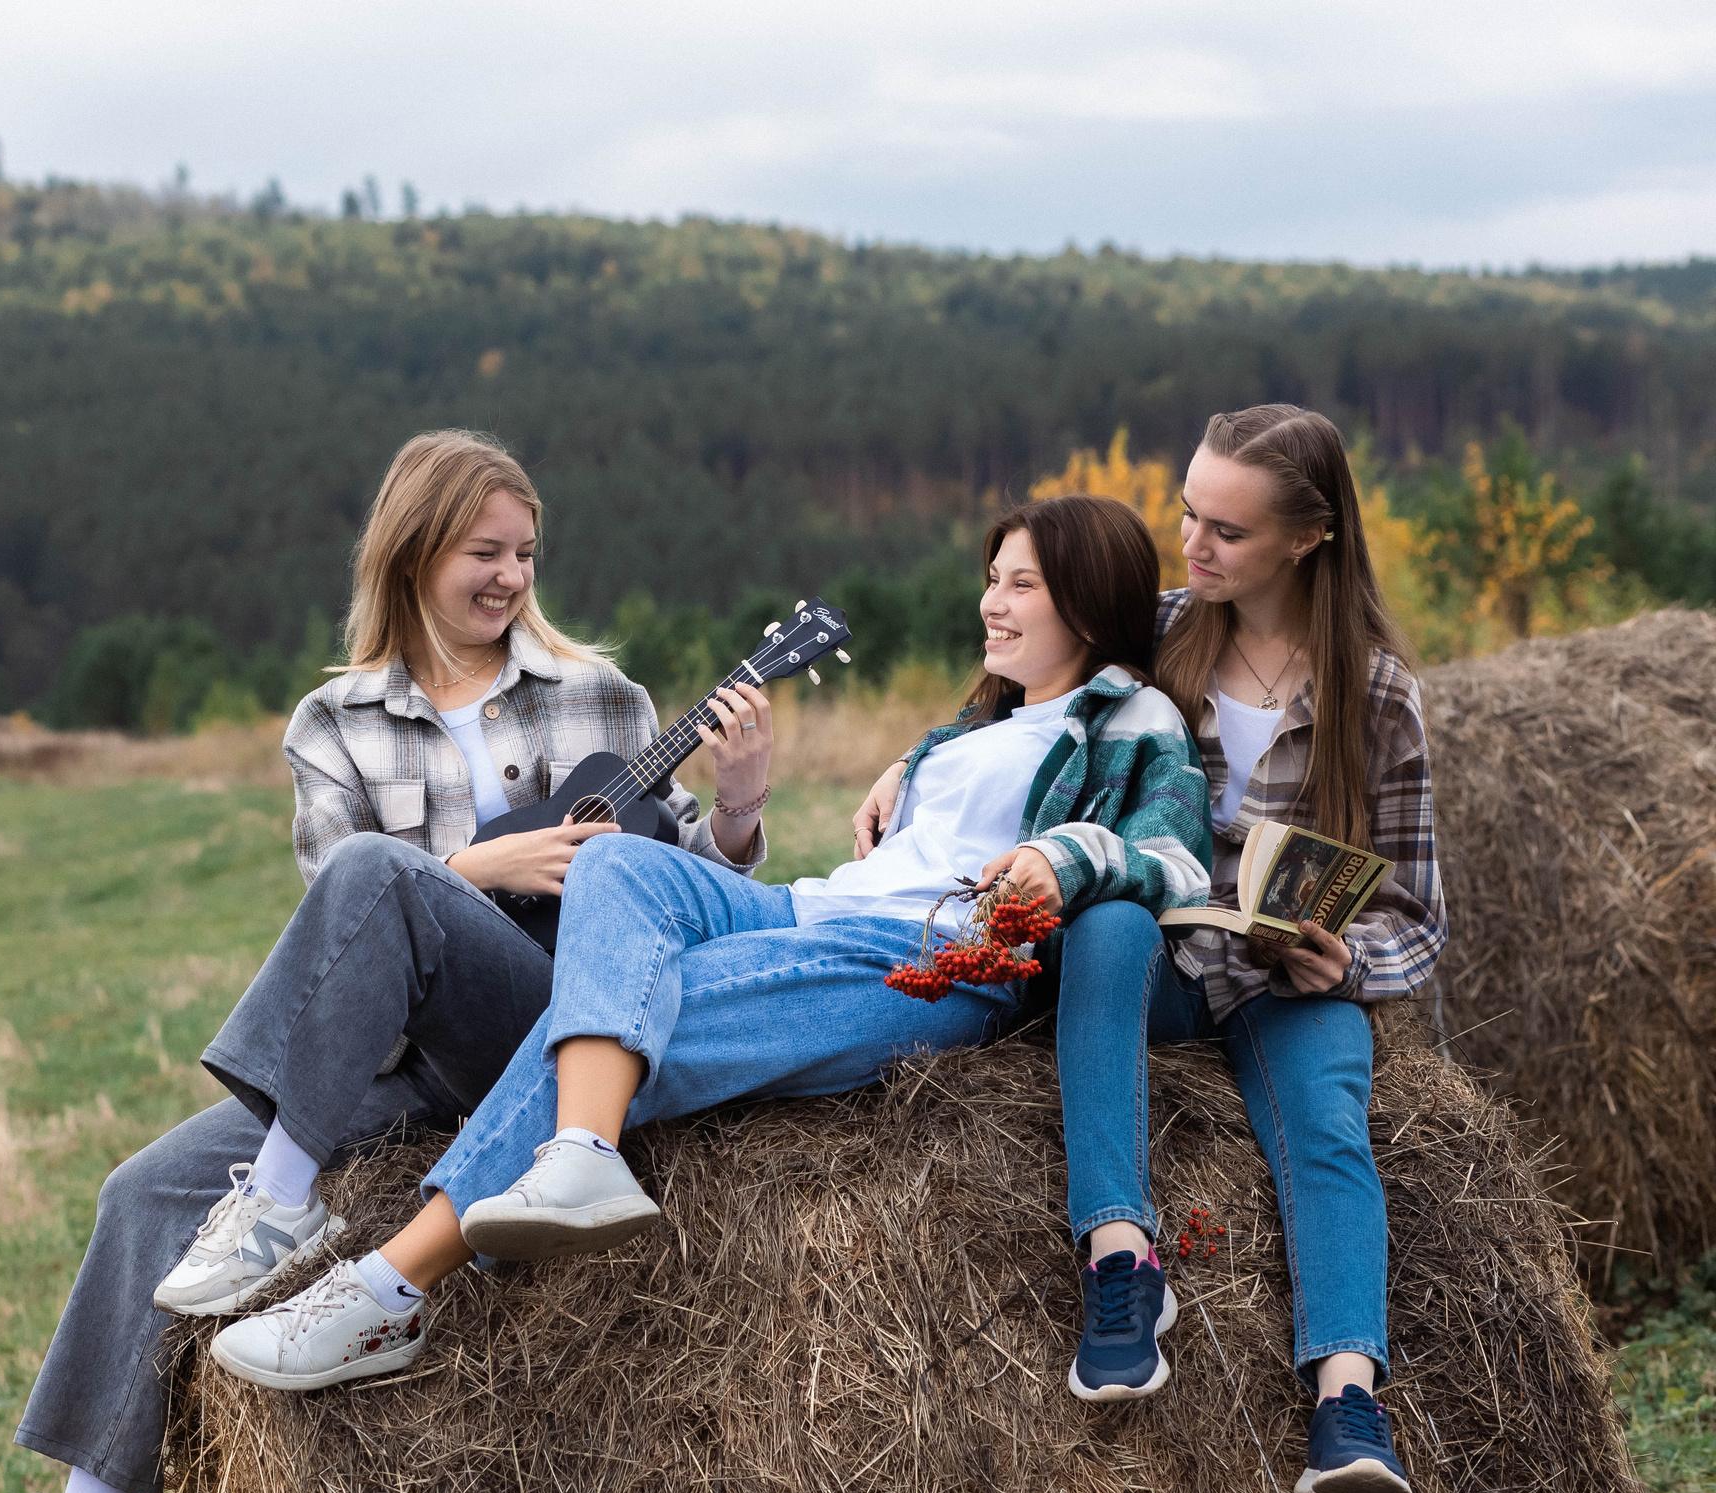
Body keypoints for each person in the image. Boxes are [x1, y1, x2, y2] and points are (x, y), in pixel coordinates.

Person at [0, 429, 776, 1493]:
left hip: (548, 1030)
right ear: (413, 551)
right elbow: (333, 911)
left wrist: (743, 802)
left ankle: (279, 1201)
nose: (510, 577)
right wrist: (482, 866)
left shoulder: (601, 698)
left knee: (383, 876)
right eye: (484, 552)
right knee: (143, 1190)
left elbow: (695, 888)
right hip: (392, 1059)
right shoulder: (331, 721)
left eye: (526, 554)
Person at [206, 493, 1212, 1394]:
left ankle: (388, 1287)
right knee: (613, 861)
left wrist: (1063, 855)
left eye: (1021, 585)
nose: (991, 602)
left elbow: (1174, 856)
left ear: (1087, 605)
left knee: (632, 1011)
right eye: (991, 579)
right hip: (809, 909)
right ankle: (581, 1152)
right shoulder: (965, 731)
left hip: (917, 958)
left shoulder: (1133, 717)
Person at [1037, 405, 1447, 1493]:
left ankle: (1347, 1406)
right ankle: (1121, 1262)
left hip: (1284, 980)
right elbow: (1016, 716)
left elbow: (1415, 913)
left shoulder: (1377, 695)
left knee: (1327, 1119)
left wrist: (1344, 963)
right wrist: (911, 764)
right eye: (1188, 514)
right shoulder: (1153, 634)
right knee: (1107, 924)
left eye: (1227, 529)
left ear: (1307, 537)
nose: (1193, 543)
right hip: (1167, 961)